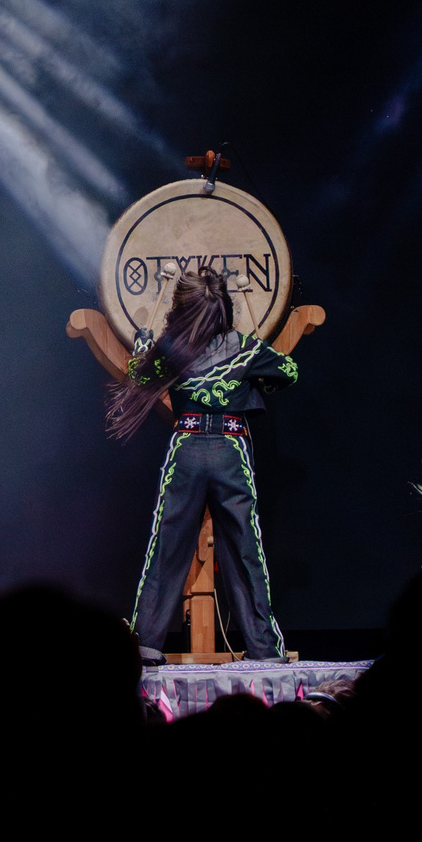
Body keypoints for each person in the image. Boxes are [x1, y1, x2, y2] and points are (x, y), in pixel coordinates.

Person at [108, 263, 300, 662]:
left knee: (167, 546)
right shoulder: (246, 348)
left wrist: (143, 345)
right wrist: (259, 374)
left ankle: (144, 644)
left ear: (180, 307)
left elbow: (138, 376)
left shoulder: (169, 349)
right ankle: (264, 649)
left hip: (188, 447)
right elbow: (289, 372)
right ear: (224, 307)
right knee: (246, 550)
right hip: (231, 450)